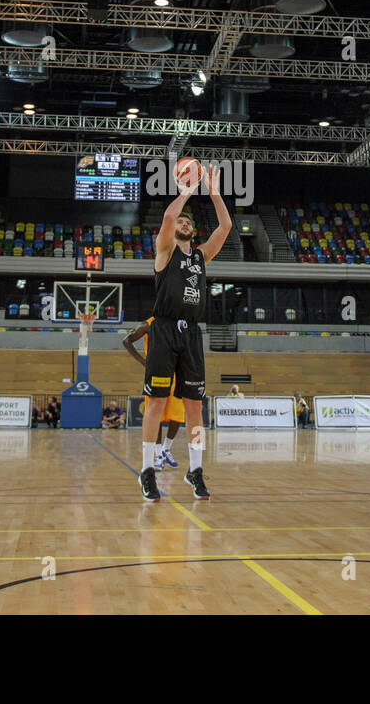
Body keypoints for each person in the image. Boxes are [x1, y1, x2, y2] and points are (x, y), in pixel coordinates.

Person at [138, 163, 231, 503]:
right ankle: (147, 471)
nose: (184, 221)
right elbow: (166, 219)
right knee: (157, 403)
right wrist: (188, 187)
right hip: (163, 329)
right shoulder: (164, 251)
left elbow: (226, 226)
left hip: (191, 333)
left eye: (189, 220)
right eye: (181, 220)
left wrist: (213, 191)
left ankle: (195, 470)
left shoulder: (202, 256)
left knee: (195, 408)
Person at [123, 317, 182, 468]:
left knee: (178, 416)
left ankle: (166, 449)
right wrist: (143, 361)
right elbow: (127, 341)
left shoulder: (179, 322)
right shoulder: (148, 324)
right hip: (157, 374)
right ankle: (158, 455)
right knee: (156, 416)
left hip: (177, 374)